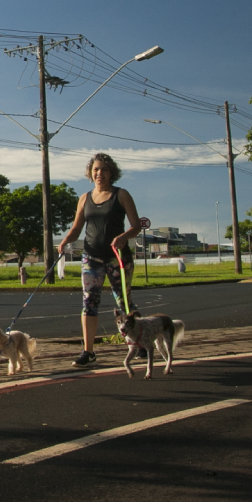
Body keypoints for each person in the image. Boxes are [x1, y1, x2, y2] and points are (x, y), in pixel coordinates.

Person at [56, 152, 142, 368]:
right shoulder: (85, 198)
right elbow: (77, 228)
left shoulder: (121, 195)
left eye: (103, 169)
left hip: (117, 258)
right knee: (89, 303)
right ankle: (88, 351)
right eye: (95, 169)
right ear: (90, 173)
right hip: (91, 258)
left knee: (124, 301)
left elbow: (136, 226)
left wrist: (123, 237)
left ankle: (138, 343)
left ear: (111, 172)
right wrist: (65, 240)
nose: (99, 173)